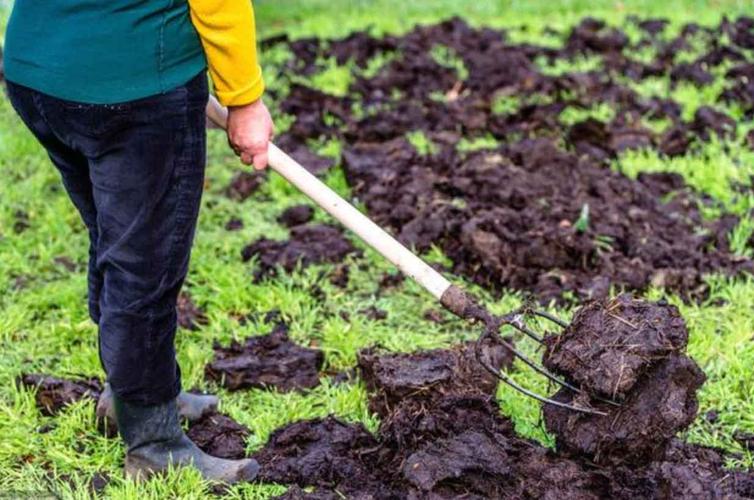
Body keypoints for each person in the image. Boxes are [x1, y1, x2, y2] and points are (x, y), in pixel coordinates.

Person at [3, 0, 274, 483]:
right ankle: (155, 442)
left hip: (39, 74)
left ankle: (133, 393)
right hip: (134, 89)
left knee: (116, 237)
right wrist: (245, 100)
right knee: (144, 264)